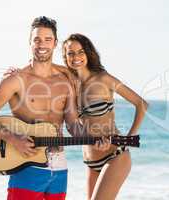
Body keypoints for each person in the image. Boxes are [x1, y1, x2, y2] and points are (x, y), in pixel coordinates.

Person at [0, 16, 83, 200]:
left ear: (55, 43)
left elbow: (73, 124)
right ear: (30, 42)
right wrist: (12, 138)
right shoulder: (17, 80)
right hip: (27, 166)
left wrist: (96, 139)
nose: (42, 44)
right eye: (37, 39)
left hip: (59, 167)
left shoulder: (65, 82)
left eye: (47, 39)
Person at [61, 33, 148, 200]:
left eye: (80, 52)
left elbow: (141, 104)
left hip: (115, 155)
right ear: (65, 57)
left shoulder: (103, 79)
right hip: (91, 162)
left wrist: (129, 137)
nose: (76, 57)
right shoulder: (71, 85)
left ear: (88, 53)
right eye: (70, 53)